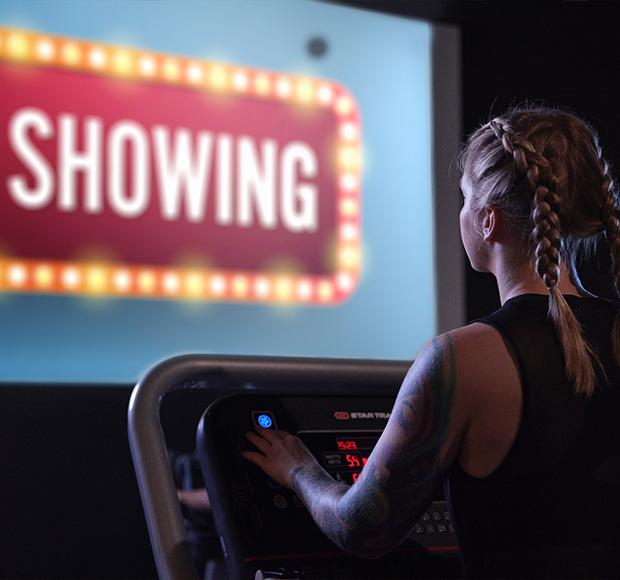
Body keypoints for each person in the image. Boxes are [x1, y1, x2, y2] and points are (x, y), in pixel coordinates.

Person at [241, 105, 620, 578]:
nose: (459, 213)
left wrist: (298, 469)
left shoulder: (463, 359)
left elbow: (361, 528)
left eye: (464, 198)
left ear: (487, 221)